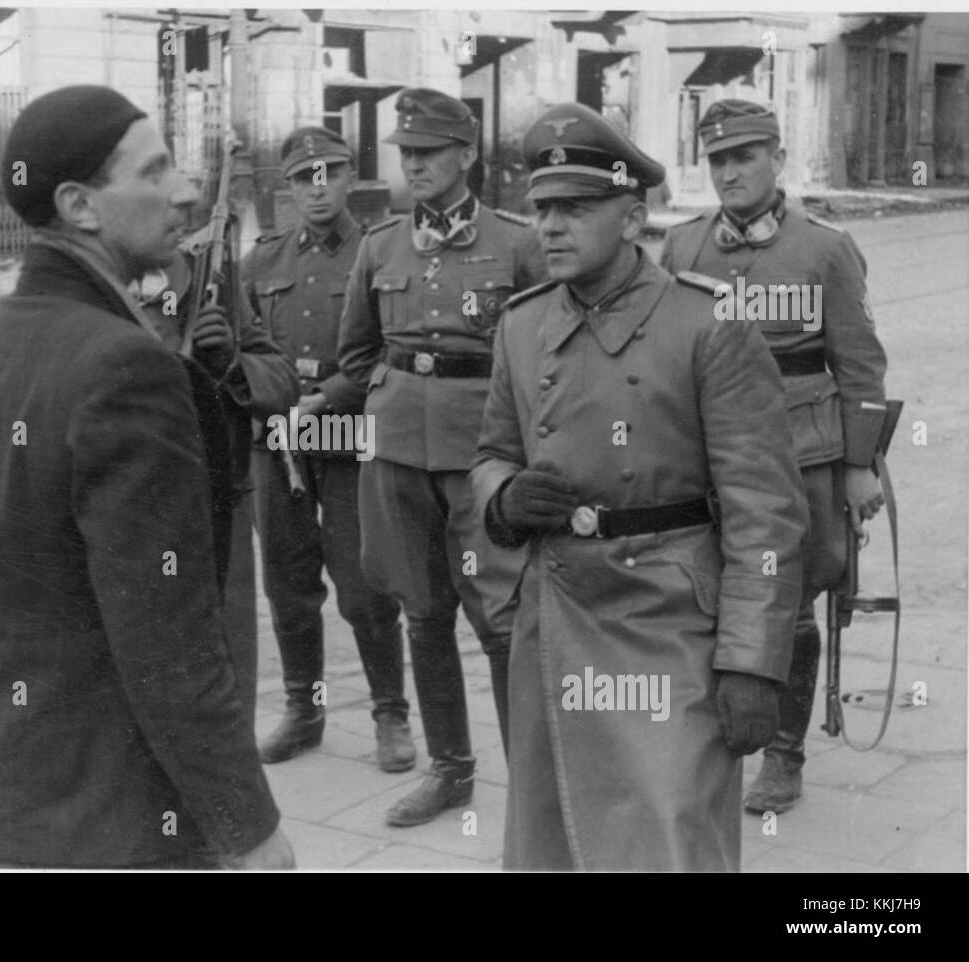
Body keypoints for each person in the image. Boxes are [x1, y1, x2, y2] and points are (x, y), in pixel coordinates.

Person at [0, 85, 292, 870]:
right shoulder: (127, 366)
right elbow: (167, 640)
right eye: (155, 171)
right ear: (79, 205)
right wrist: (246, 825)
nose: (185, 191)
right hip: (94, 827)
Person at [473, 102, 808, 870]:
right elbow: (490, 452)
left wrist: (752, 663)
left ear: (632, 219)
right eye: (543, 209)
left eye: (577, 208)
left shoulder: (707, 325)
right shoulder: (522, 327)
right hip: (557, 617)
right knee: (553, 838)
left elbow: (765, 512)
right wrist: (502, 496)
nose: (551, 227)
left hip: (668, 625)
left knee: (670, 832)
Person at [660, 100, 889, 816]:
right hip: (709, 455)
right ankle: (715, 737)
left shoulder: (823, 248)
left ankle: (784, 755)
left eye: (745, 157)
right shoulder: (683, 246)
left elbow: (861, 368)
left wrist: (859, 467)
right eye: (718, 160)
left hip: (802, 457)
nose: (729, 172)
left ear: (777, 159)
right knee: (707, 594)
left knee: (788, 606)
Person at [338, 88, 544, 827]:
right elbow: (358, 352)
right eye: (407, 153)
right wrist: (385, 406)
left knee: (499, 619)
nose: (415, 164)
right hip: (397, 456)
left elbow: (545, 355)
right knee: (422, 615)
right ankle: (451, 770)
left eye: (428, 152)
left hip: (481, 457)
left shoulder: (516, 242)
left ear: (468, 155)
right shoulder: (381, 244)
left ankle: (533, 783)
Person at [241, 127, 410, 770]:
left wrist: (333, 392)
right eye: (303, 178)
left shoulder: (377, 253)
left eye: (329, 174)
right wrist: (267, 392)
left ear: (348, 179)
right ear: (287, 187)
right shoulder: (262, 261)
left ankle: (390, 716)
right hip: (279, 437)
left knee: (364, 586)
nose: (317, 188)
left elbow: (391, 348)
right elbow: (242, 347)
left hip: (343, 433)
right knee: (287, 583)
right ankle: (304, 711)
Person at [134, 221, 300, 717]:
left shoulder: (211, 280)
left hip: (217, 501)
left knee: (224, 676)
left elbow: (280, 380)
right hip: (130, 507)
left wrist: (231, 363)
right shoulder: (91, 285)